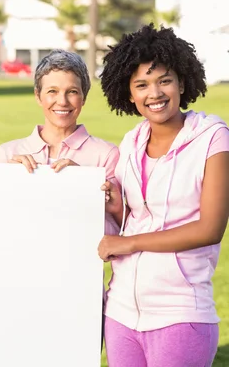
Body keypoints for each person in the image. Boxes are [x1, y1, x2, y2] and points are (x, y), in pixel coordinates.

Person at [98, 24, 229, 367]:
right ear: (128, 94)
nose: (154, 93)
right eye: (141, 84)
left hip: (180, 313)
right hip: (122, 311)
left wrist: (130, 243)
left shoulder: (213, 139)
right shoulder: (131, 143)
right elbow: (132, 218)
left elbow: (210, 229)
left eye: (164, 80)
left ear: (182, 83)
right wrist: (115, 208)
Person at [0, 49, 119, 234]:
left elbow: (117, 231)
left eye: (72, 92)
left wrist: (84, 185)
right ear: (38, 96)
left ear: (83, 97)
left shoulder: (106, 155)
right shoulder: (8, 154)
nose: (62, 101)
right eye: (52, 91)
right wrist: (8, 182)